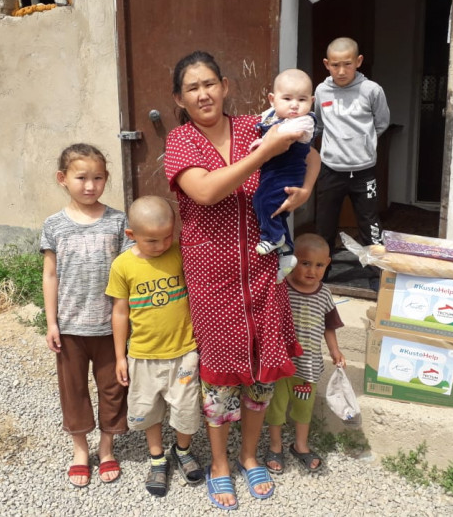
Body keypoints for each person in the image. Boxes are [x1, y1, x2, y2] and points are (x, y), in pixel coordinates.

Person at [164, 51, 320, 511]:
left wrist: (306, 189)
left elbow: (310, 155)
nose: (203, 94)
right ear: (180, 99)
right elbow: (207, 191)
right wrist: (265, 153)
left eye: (210, 83)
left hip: (264, 269)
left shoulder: (258, 124)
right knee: (220, 376)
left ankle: (249, 456)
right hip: (212, 276)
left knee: (261, 371)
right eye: (192, 88)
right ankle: (219, 463)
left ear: (226, 86)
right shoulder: (181, 141)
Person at [40, 143, 131, 488]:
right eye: (81, 178)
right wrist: (52, 322)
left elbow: (128, 274)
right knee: (73, 390)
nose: (90, 186)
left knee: (113, 388)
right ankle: (80, 450)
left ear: (106, 178)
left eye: (98, 178)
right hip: (70, 326)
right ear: (62, 178)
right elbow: (50, 274)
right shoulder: (54, 225)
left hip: (110, 327)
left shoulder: (118, 221)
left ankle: (106, 448)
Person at [106, 195, 204, 497]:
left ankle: (182, 450)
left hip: (184, 353)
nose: (161, 245)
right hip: (143, 355)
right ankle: (157, 457)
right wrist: (120, 356)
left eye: (166, 237)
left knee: (187, 408)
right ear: (131, 235)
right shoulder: (122, 265)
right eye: (151, 240)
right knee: (149, 409)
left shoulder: (180, 254)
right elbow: (120, 312)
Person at [264, 233, 345, 474]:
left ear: (328, 264)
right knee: (276, 407)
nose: (312, 271)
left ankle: (300, 445)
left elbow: (329, 326)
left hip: (308, 366)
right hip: (281, 364)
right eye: (305, 263)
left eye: (319, 265)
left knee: (303, 408)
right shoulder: (282, 287)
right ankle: (275, 445)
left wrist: (335, 350)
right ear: (292, 260)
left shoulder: (324, 294)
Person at [314, 37, 390, 283]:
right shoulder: (321, 91)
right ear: (326, 64)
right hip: (330, 170)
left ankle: (378, 277)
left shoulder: (372, 90)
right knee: (324, 226)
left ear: (358, 61)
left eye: (347, 64)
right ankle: (320, 278)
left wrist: (363, 144)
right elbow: (319, 125)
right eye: (335, 65)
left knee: (370, 225)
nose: (341, 71)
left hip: (363, 172)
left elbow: (381, 123)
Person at [250, 69, 317, 283]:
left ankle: (273, 237)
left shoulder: (304, 121)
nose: (294, 105)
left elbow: (286, 135)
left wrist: (263, 143)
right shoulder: (271, 115)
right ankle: (287, 253)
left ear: (312, 102)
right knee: (276, 213)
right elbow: (262, 122)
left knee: (263, 201)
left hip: (287, 173)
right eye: (287, 99)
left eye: (302, 99)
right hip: (272, 172)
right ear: (272, 99)